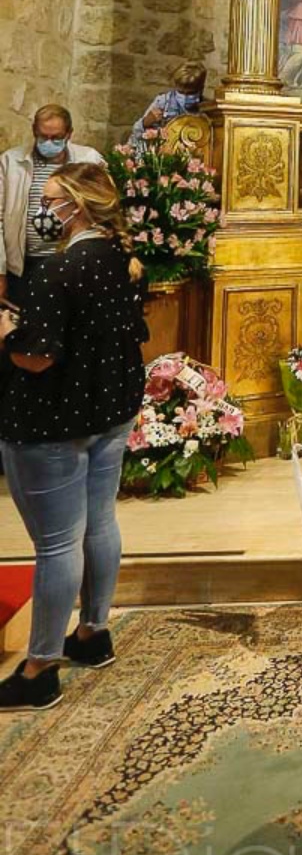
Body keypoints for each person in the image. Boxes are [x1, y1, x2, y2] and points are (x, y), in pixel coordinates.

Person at [0, 163, 148, 709]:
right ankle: (91, 633)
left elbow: (35, 357)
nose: (45, 207)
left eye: (54, 198)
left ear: (78, 207)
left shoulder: (59, 270)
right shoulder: (122, 260)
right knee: (100, 521)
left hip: (54, 420)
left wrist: (7, 333)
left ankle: (39, 669)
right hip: (109, 409)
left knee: (57, 542)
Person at [0, 106, 103, 308]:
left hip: (72, 262)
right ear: (33, 131)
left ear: (69, 134)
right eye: (43, 136)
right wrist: (0, 270)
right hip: (24, 266)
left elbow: (103, 211)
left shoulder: (89, 160)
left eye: (56, 137)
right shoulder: (11, 162)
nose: (49, 143)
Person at [128, 61, 207, 153]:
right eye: (181, 92)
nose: (184, 97)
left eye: (190, 93)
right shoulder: (163, 102)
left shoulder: (208, 107)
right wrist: (146, 122)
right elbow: (136, 135)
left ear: (201, 89)